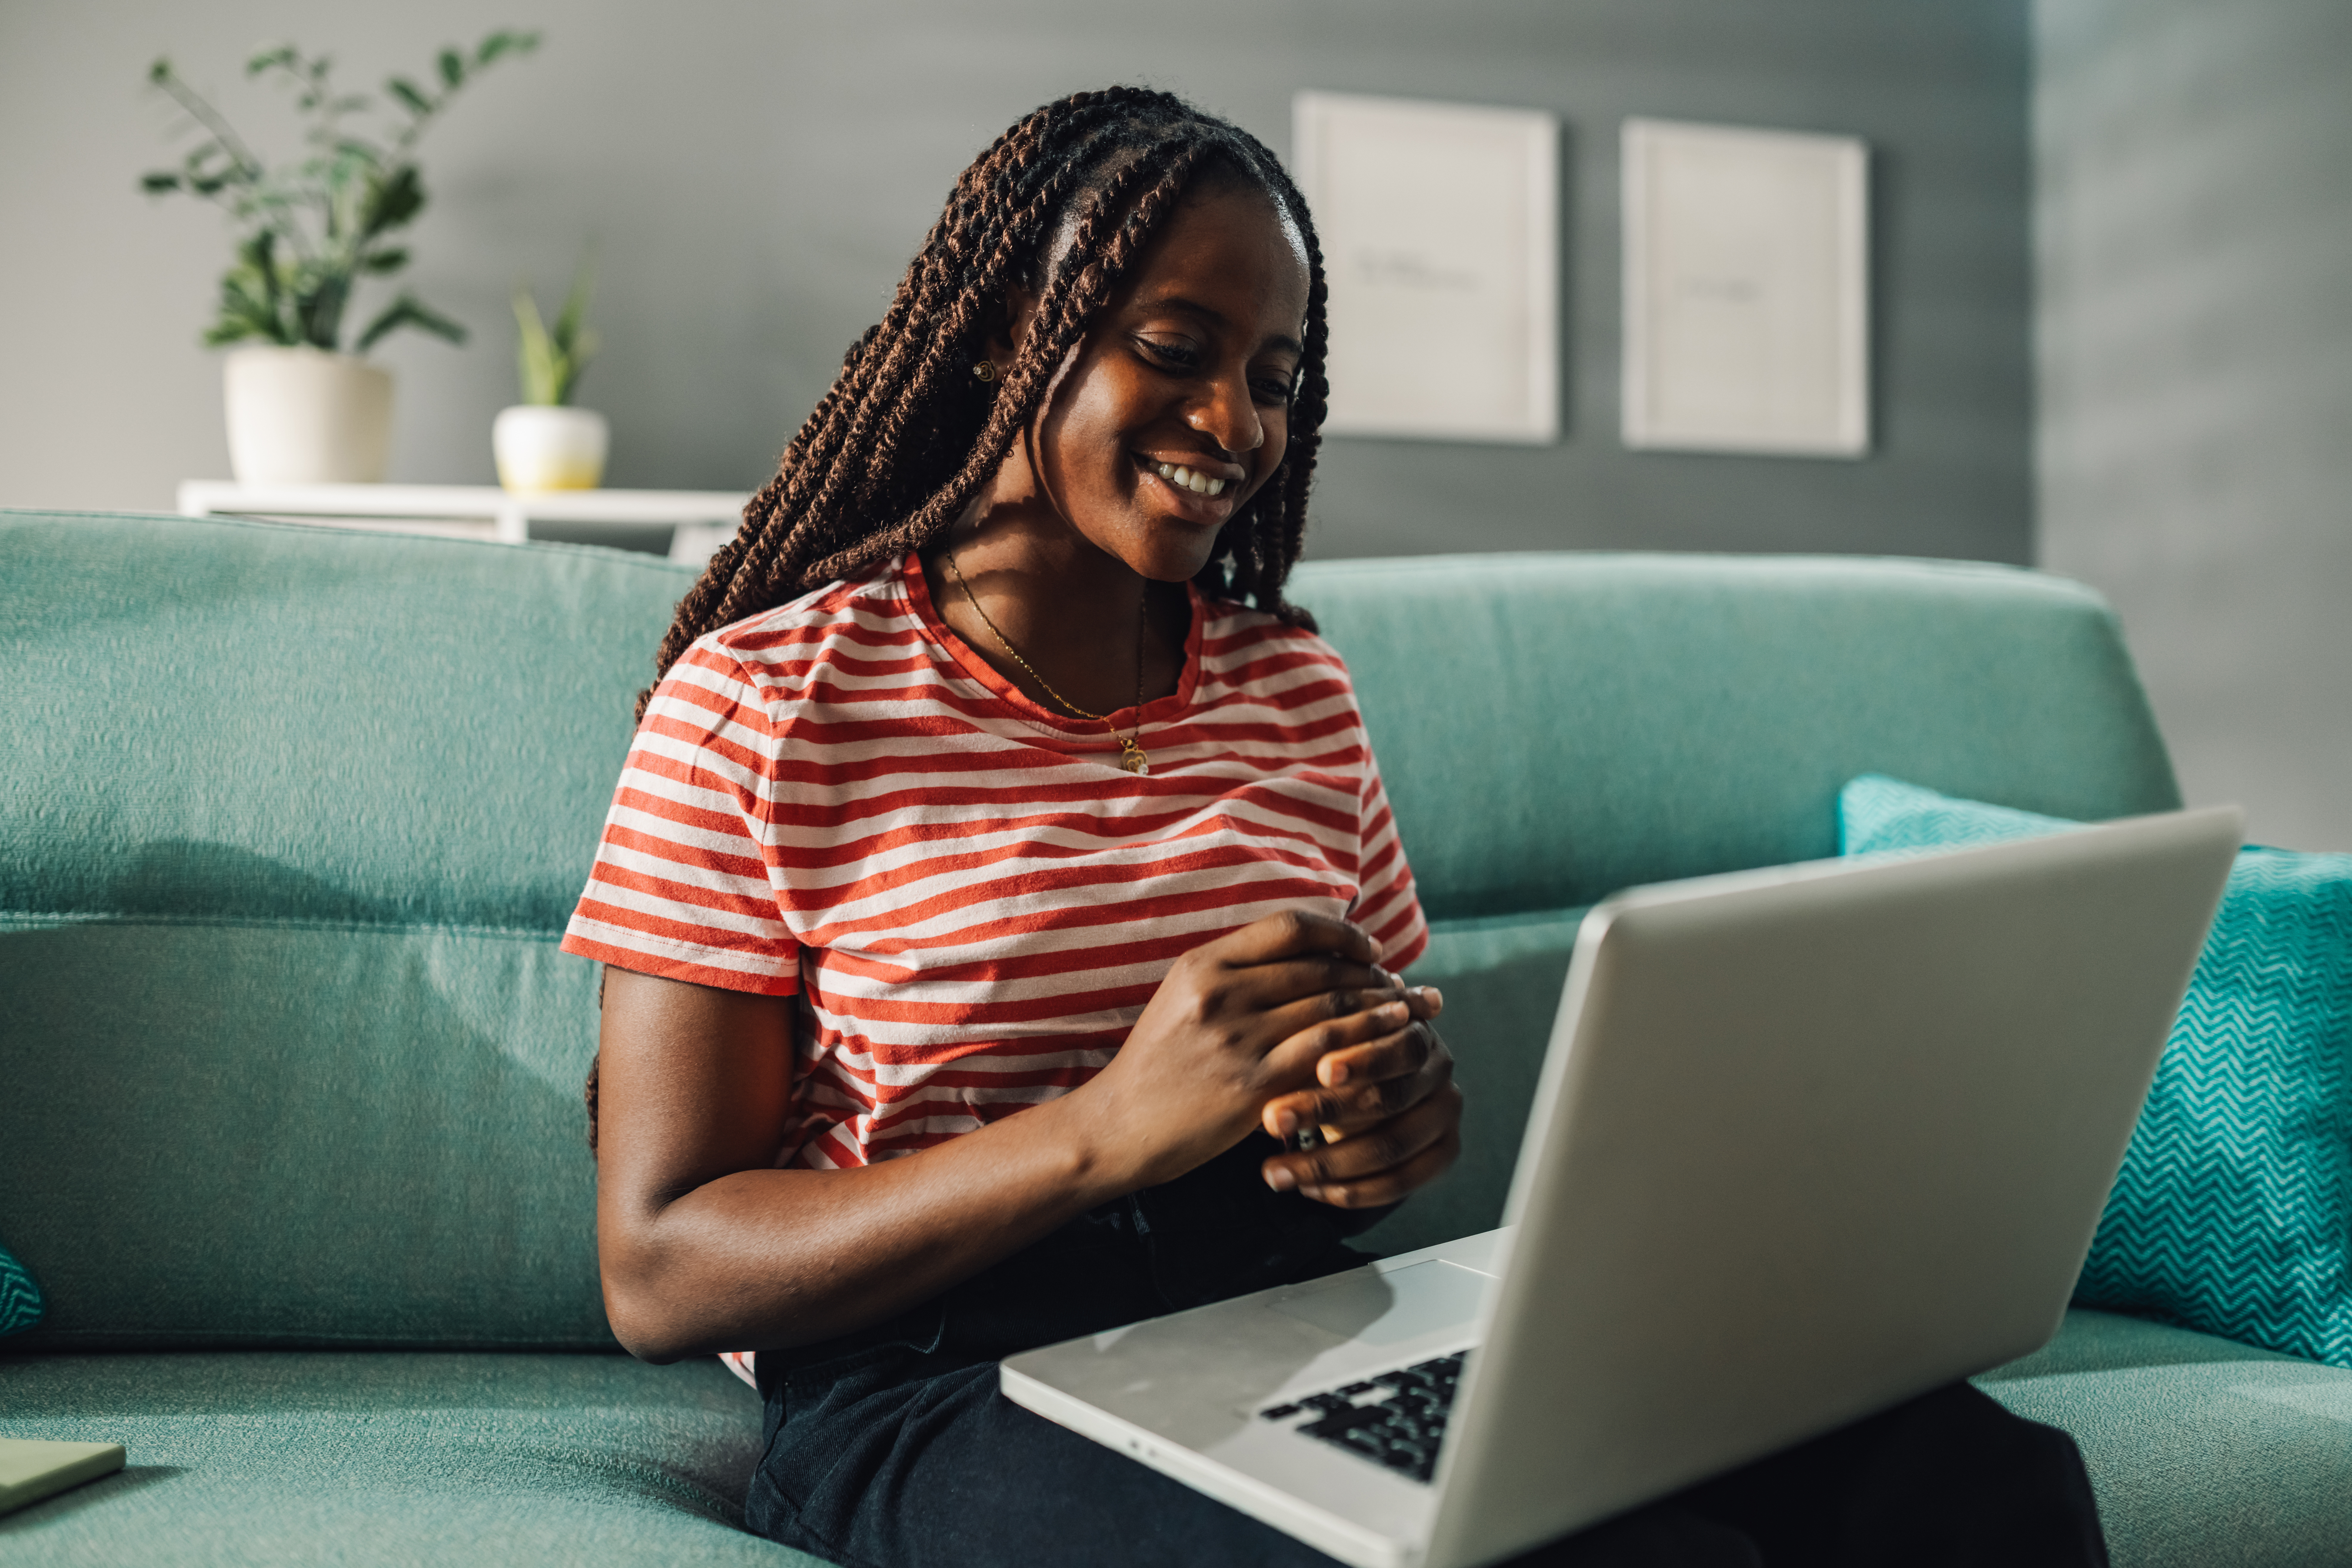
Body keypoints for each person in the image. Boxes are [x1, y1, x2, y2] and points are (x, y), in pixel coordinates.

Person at [562, 87, 2108, 1568]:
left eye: (1276, 376)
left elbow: (1351, 1103)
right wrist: (1105, 1130)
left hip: (1289, 1316)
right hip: (937, 1378)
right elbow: (661, 1270)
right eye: (1176, 350)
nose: (1234, 421)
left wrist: (1380, 1137)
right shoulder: (768, 701)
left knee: (1971, 1482)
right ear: (998, 332)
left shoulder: (1289, 687)